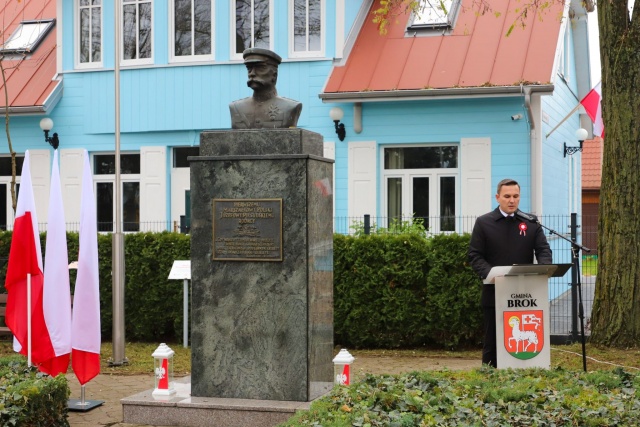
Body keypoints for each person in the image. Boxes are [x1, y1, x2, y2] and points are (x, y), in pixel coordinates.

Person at [468, 178, 552, 368]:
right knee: (492, 340)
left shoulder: (530, 222)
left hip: (526, 294)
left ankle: (527, 372)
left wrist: (544, 268)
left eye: (516, 196)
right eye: (507, 196)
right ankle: (489, 376)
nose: (512, 200)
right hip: (494, 292)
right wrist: (491, 274)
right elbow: (475, 255)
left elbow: (543, 250)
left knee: (523, 339)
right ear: (497, 197)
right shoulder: (484, 223)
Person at [230, 48, 302, 129]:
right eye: (249, 68)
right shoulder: (235, 108)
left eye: (260, 68)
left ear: (274, 75)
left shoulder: (290, 107)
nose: (252, 73)